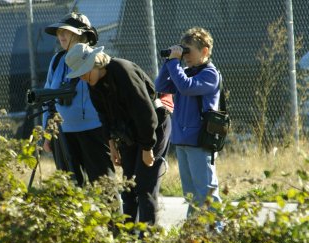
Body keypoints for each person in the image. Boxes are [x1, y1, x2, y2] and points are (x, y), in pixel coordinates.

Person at [65, 43, 172, 227]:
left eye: (83, 71)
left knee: (144, 187)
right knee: (128, 187)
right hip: (128, 133)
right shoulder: (93, 83)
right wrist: (112, 145)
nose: (82, 77)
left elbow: (146, 113)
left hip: (152, 129)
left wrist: (147, 148)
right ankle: (127, 239)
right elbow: (104, 116)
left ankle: (148, 241)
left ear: (94, 63)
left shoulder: (123, 71)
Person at [155, 27, 222, 218]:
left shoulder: (210, 74)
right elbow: (161, 86)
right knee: (191, 194)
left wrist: (175, 63)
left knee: (206, 192)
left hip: (199, 140)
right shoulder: (184, 71)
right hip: (183, 139)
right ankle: (194, 233)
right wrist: (169, 62)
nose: (185, 56)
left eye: (188, 51)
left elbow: (185, 87)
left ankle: (217, 233)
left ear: (205, 51)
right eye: (183, 51)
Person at [42, 12, 114, 186]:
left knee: (104, 187)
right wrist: (47, 134)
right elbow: (47, 98)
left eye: (66, 31)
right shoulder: (57, 60)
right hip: (63, 133)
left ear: (81, 34)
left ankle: (110, 214)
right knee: (68, 189)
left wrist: (112, 135)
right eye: (59, 32)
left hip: (95, 131)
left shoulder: (97, 59)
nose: (61, 35)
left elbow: (110, 98)